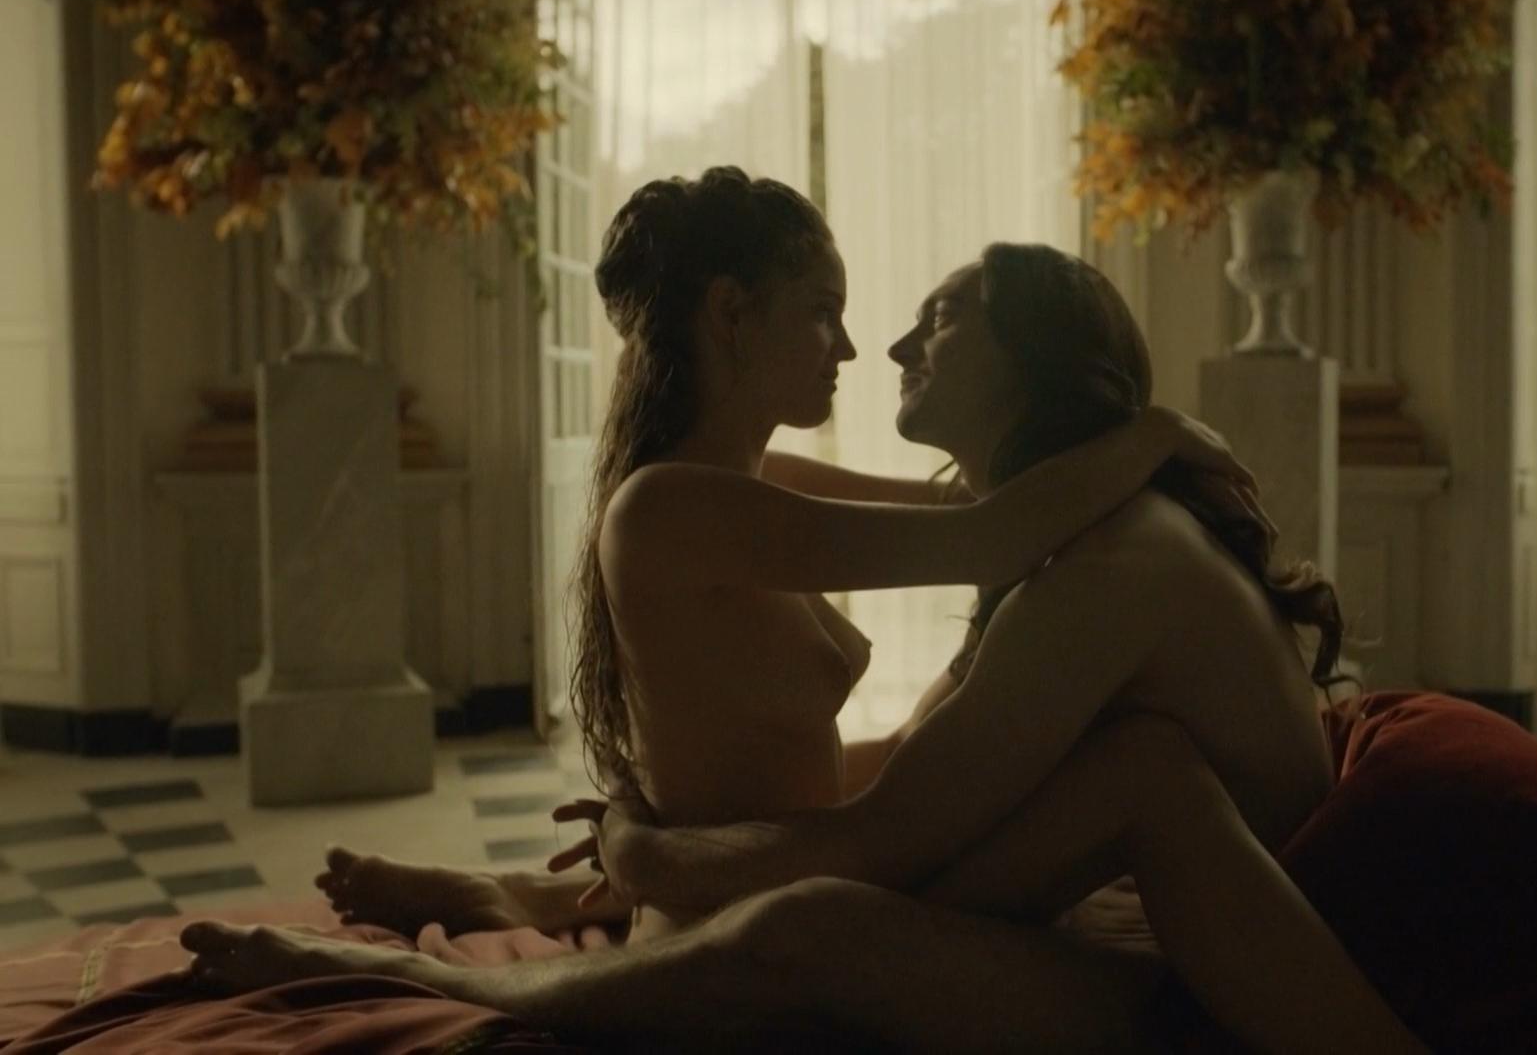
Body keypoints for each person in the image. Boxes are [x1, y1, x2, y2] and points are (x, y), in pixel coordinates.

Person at [185, 228, 1427, 1051]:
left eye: (940, 321)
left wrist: (651, 854)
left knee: (809, 922)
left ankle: (454, 980)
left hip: (1179, 964)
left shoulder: (1109, 566)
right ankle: (541, 898)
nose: (885, 345)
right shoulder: (1065, 549)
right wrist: (638, 860)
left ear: (1032, 367)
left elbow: (885, 837)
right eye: (829, 313)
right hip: (1121, 906)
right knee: (828, 878)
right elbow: (919, 768)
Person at [296, 167, 1244, 944]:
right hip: (741, 918)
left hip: (771, 872)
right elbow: (986, 539)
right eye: (824, 312)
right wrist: (1157, 433)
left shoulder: (757, 481)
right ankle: (538, 899)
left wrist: (1086, 434)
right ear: (731, 313)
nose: (850, 347)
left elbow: (972, 503)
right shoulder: (670, 506)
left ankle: (526, 897)